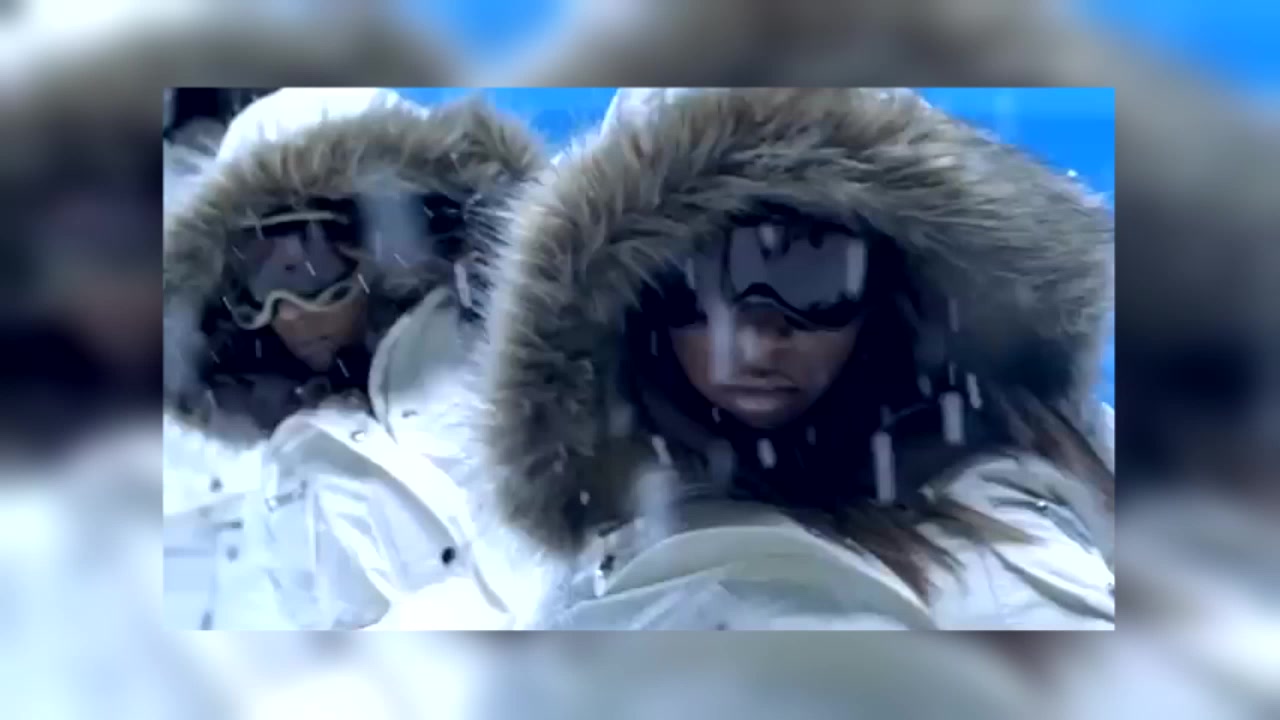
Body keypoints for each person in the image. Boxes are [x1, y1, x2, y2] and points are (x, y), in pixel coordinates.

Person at [476, 87, 1115, 629]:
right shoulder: (612, 581)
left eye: (814, 277)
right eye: (701, 283)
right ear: (634, 302)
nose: (757, 343)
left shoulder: (1041, 473)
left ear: (888, 295)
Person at [163, 86, 545, 629]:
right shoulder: (287, 471)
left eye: (303, 265)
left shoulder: (504, 354)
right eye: (256, 280)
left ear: (377, 244)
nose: (286, 311)